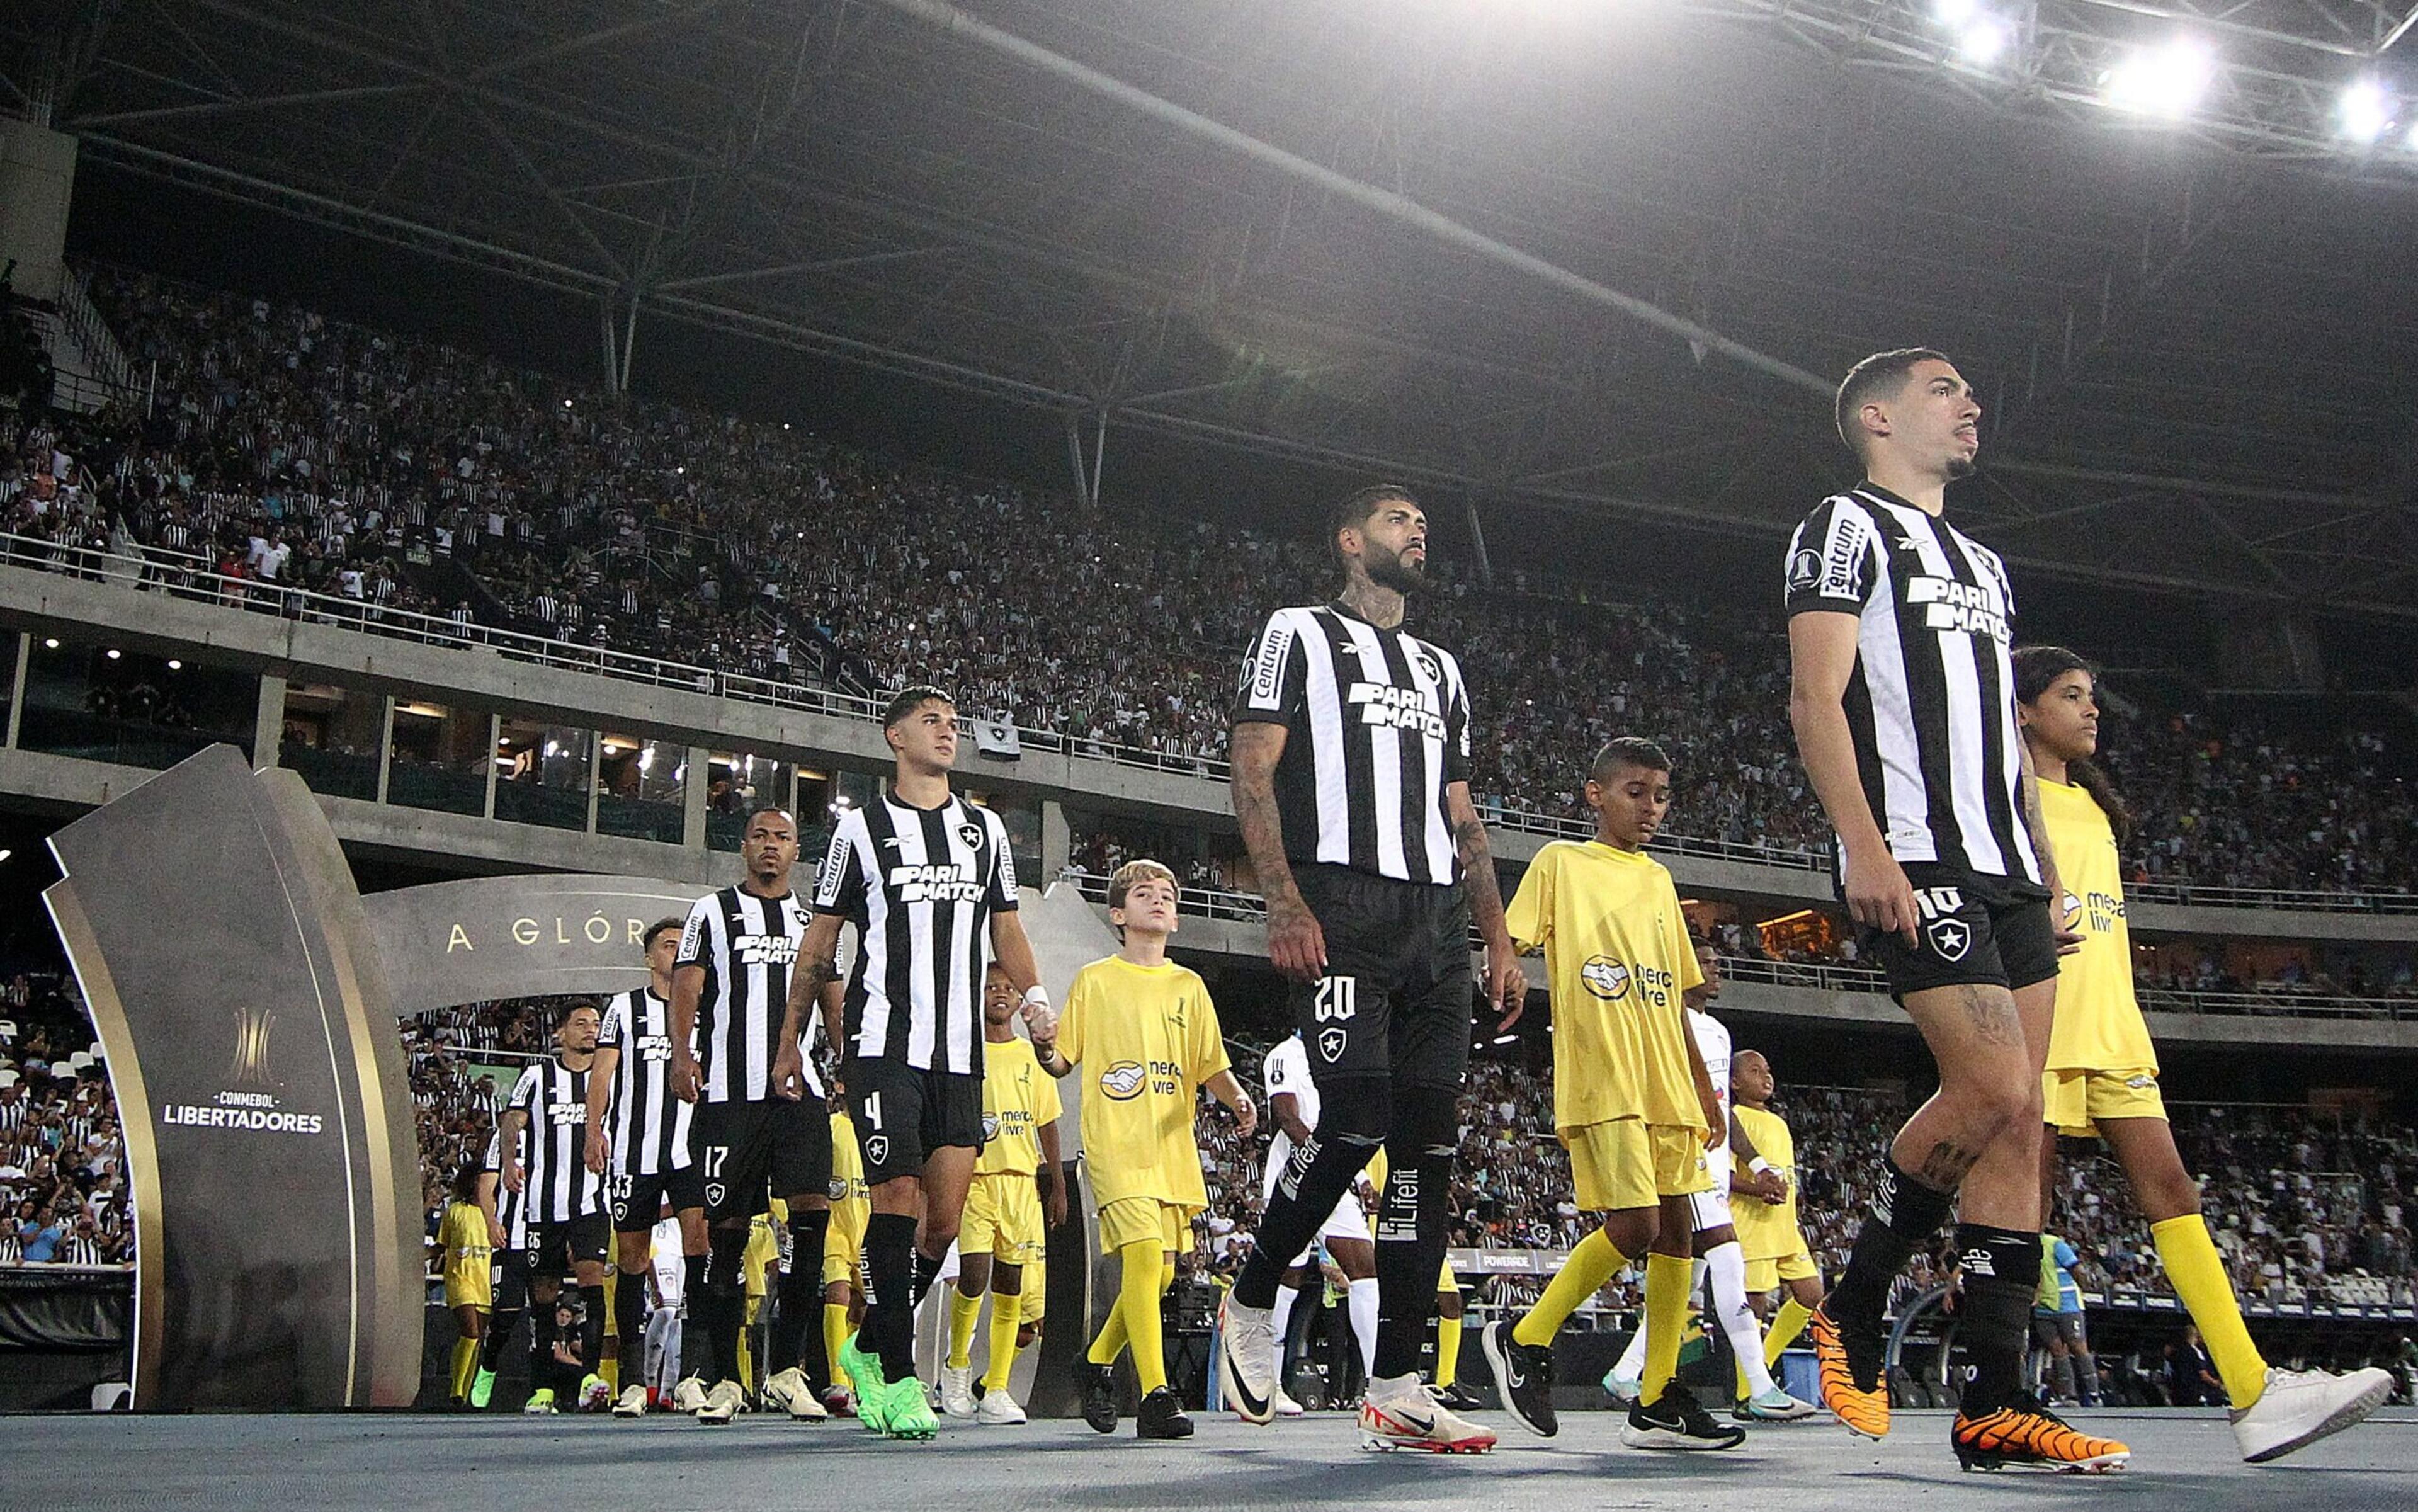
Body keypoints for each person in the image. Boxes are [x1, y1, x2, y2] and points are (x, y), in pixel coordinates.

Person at [1785, 349, 2126, 1470]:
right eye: (1945, 390)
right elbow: (1816, 696)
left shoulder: (1982, 559)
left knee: (2022, 1124)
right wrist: (1863, 845)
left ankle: (1993, 1401)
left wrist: (2039, 857)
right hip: (1917, 854)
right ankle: (1854, 1299)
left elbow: (1991, 719)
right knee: (1991, 1086)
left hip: (2009, 865)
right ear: (1877, 417)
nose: (1972, 401)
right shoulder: (1843, 526)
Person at [2014, 643, 2390, 1460]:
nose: (2093, 709)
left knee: (2174, 1187)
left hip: (2111, 1023)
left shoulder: (2096, 811)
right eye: (2071, 695)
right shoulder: (2005, 805)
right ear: (2026, 712)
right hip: (2037, 1020)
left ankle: (2252, 1388)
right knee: (2021, 1216)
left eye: (2093, 695)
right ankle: (2011, 1401)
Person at [1215, 485, 1523, 1455]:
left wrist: (1497, 935)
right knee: (1355, 1118)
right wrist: (1283, 898)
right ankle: (1254, 1287)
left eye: (1423, 523)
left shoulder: (1442, 668)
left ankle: (1396, 1387)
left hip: (1437, 919)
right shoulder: (1297, 631)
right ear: (1351, 542)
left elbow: (1463, 816)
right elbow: (1253, 768)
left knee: (1428, 1154)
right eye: (1399, 521)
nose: (1418, 532)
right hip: (1341, 904)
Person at [789, 685, 1050, 1441]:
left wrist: (1035, 999)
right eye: (932, 720)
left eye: (953, 721)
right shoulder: (861, 832)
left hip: (960, 1052)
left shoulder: (986, 830)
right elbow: (820, 942)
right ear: (894, 736)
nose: (948, 730)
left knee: (941, 1225)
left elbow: (1007, 927)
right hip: (882, 1043)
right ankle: (901, 1376)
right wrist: (792, 1041)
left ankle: (868, 1343)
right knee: (896, 1192)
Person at [1478, 738, 1742, 1452]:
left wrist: (1703, 1086)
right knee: (1636, 1226)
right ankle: (1524, 1334)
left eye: (1661, 794)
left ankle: (1657, 1397)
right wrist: (1502, 966)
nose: (1651, 807)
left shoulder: (1659, 880)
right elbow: (1511, 936)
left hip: (1668, 1078)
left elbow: (1677, 998)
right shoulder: (1561, 863)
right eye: (1635, 792)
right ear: (1595, 795)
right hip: (1605, 1071)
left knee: (1678, 1227)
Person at [1033, 858, 1256, 1439]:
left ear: (1177, 918)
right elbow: (1062, 1059)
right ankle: (1157, 1396)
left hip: (1170, 1146)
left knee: (1156, 1276)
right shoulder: (1095, 979)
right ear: (1118, 913)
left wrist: (1237, 1099)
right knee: (1140, 1255)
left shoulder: (1189, 986)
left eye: (1166, 893)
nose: (1158, 899)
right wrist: (1041, 1044)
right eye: (1143, 893)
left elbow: (1212, 1063)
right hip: (1115, 1143)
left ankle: (1096, 1360)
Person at [1598, 943, 1817, 1424]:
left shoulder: (1718, 1032)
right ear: (1681, 969)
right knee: (1729, 1261)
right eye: (1706, 963)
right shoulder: (1668, 1023)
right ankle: (1759, 1385)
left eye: (1719, 962)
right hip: (1685, 1161)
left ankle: (1625, 1370)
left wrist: (1756, 1161)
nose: (1717, 970)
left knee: (1687, 1284)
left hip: (1716, 1168)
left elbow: (1719, 1109)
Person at [666, 807, 831, 1426]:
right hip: (730, 1095)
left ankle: (788, 1370)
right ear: (745, 847)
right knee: (727, 1232)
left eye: (782, 837)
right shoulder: (711, 912)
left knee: (812, 1214)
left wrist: (842, 1053)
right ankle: (729, 1377)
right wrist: (683, 1055)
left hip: (799, 1090)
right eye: (761, 836)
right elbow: (688, 985)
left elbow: (830, 989)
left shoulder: (812, 919)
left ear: (796, 851)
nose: (770, 846)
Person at [584, 916, 710, 1418]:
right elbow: (602, 1073)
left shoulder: (706, 1008)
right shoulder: (624, 1007)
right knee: (634, 1260)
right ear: (650, 957)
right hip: (637, 1152)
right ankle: (634, 1380)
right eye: (667, 945)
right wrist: (594, 1130)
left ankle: (695, 1377)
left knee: (699, 1247)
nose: (676, 951)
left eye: (684, 945)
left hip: (692, 1150)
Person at [940, 963, 1067, 1425]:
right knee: (973, 1275)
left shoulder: (1031, 1056)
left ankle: (996, 1387)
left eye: (1008, 988)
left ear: (1019, 1000)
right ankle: (957, 1365)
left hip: (1020, 1181)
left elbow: (1047, 1121)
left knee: (1011, 1284)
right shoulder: (965, 1051)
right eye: (991, 986)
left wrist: (1056, 1181)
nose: (999, 993)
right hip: (975, 1179)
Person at [491, 1001, 612, 1414]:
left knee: (592, 1282)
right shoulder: (537, 1075)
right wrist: (510, 1162)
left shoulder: (608, 1075)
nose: (590, 1030)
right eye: (581, 1024)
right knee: (542, 1295)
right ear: (560, 1032)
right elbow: (512, 1121)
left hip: (591, 1200)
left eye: (595, 1024)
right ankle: (541, 1387)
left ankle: (591, 1377)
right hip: (544, 1202)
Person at [1261, 1028, 1384, 1414]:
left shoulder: (1338, 1058)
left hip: (1334, 1180)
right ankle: (1269, 1383)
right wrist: (1329, 1161)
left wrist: (1361, 1179)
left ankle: (1381, 1384)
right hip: (1293, 1177)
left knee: (1365, 1268)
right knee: (1288, 1278)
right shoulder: (1284, 1055)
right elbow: (1286, 1117)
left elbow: (1342, 1127)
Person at [1725, 1050, 1825, 1387]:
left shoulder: (1778, 1121)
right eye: (1755, 1072)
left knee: (1811, 1295)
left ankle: (1762, 1368)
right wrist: (1758, 1190)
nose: (1765, 1077)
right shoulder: (1734, 1119)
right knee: (1756, 1305)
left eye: (1767, 1070)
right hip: (1751, 1225)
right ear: (1735, 1082)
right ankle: (1747, 1391)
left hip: (1785, 1226)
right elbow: (1721, 1176)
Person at [821, 1101, 871, 1417]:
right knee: (837, 1293)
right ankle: (838, 1383)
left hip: (868, 1227)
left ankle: (857, 1383)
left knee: (863, 1308)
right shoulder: (832, 1125)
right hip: (835, 1227)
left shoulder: (877, 1124)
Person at [434, 1160, 497, 1407]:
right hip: (460, 1279)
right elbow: (442, 1245)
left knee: (476, 1338)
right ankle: (457, 1392)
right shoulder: (456, 1211)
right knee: (470, 1332)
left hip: (485, 1281)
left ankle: (466, 1392)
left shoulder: (495, 1213)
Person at [2033, 1231, 2097, 1406]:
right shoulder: (2024, 1246)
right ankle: (2069, 1396)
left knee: (2078, 1348)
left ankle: (2094, 1394)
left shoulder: (2054, 1244)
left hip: (2067, 1306)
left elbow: (2076, 1269)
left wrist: (2085, 1289)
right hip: (2043, 1309)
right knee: (2057, 1351)